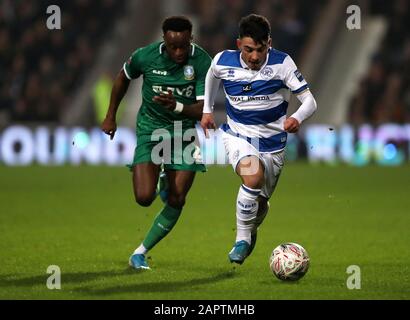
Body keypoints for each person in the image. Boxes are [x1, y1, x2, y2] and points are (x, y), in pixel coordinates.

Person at [200, 14, 317, 265]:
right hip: (238, 136)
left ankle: (250, 229)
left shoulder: (282, 63)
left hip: (274, 144)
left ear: (269, 44)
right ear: (238, 43)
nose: (254, 56)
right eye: (248, 49)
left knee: (260, 204)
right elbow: (212, 75)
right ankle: (241, 240)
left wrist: (296, 118)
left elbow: (310, 101)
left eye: (260, 49)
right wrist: (207, 110)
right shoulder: (223, 60)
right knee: (252, 177)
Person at [101, 16, 212, 270]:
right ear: (164, 40)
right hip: (151, 130)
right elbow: (122, 77)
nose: (178, 52)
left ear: (190, 39)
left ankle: (140, 253)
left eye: (183, 46)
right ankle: (162, 176)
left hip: (183, 132)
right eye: (173, 46)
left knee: (177, 198)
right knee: (143, 197)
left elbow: (203, 111)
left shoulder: (202, 61)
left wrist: (177, 105)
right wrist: (110, 115)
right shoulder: (145, 56)